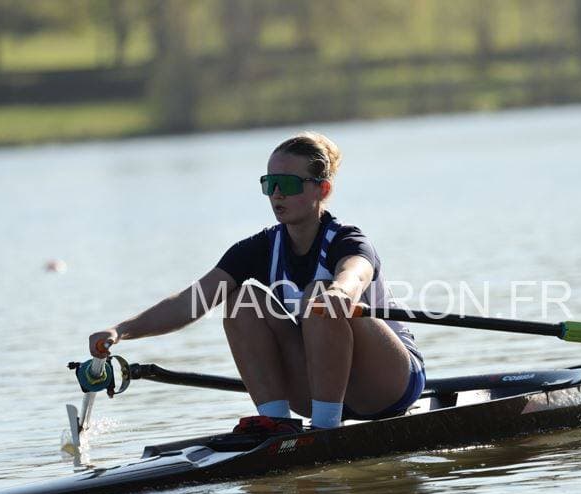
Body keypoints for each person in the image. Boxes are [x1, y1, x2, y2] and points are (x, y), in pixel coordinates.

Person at [89, 132, 425, 429]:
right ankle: (276, 424)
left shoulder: (347, 240)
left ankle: (325, 429)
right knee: (240, 299)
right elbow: (189, 302)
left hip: (387, 383)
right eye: (269, 184)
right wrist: (120, 331)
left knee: (320, 294)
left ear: (323, 189)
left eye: (288, 185)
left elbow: (356, 272)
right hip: (317, 385)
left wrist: (341, 291)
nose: (276, 194)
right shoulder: (258, 249)